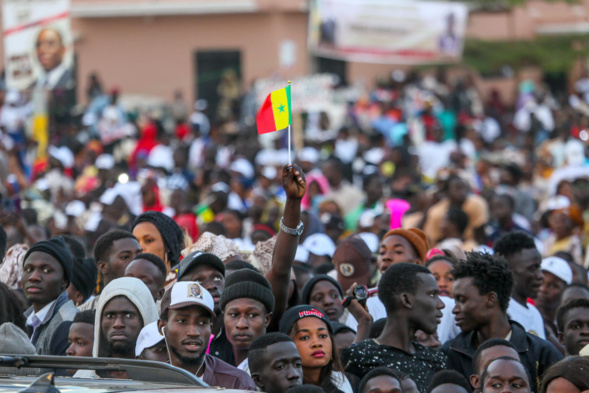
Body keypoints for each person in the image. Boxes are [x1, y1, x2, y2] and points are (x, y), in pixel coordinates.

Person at [442, 252, 562, 393]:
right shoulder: (450, 354)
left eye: (462, 300)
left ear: (491, 299)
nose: (455, 310)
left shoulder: (542, 354)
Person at [342, 263, 446, 392]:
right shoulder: (359, 357)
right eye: (432, 295)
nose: (441, 304)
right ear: (406, 300)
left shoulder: (435, 360)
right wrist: (364, 323)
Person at [157, 281, 256, 390]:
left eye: (202, 323)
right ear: (162, 326)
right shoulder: (149, 381)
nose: (194, 332)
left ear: (211, 328)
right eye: (182, 321)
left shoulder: (236, 383)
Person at [22, 237, 78, 356]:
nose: (33, 277)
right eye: (28, 269)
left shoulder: (68, 324)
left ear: (64, 281)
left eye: (46, 270)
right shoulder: (24, 319)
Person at [279, 305, 353, 393]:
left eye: (322, 335)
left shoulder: (340, 381)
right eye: (304, 337)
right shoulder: (279, 386)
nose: (317, 343)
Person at [176, 250, 231, 362]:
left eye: (217, 278)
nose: (211, 285)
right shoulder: (176, 338)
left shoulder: (237, 334)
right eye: (199, 281)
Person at [219, 268, 275, 371]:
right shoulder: (213, 364)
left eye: (252, 315)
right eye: (234, 315)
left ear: (267, 319)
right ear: (224, 317)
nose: (241, 324)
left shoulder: (274, 369)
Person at [493, 231, 546, 338]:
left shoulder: (535, 313)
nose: (540, 276)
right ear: (507, 270)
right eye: (532, 268)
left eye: (539, 267)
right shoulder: (499, 314)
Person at [93, 277, 158, 360]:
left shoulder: (166, 372)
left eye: (129, 315)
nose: (118, 324)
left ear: (145, 317)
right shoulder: (84, 373)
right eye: (110, 316)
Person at [80, 230, 142, 311]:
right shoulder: (82, 313)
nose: (136, 262)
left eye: (139, 255)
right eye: (125, 257)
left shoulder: (158, 310)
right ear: (103, 267)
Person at [424, 175, 488, 245]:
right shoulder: (436, 212)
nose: (462, 192)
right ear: (447, 192)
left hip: (472, 246)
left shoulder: (477, 204)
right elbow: (433, 240)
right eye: (458, 188)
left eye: (463, 187)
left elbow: (480, 235)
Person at [132, 211, 185, 285]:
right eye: (136, 242)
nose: (140, 247)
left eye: (148, 240)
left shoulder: (184, 283)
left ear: (168, 245)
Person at [536, 256, 573, 353]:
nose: (543, 289)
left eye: (552, 285)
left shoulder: (569, 324)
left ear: (565, 290)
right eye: (541, 281)